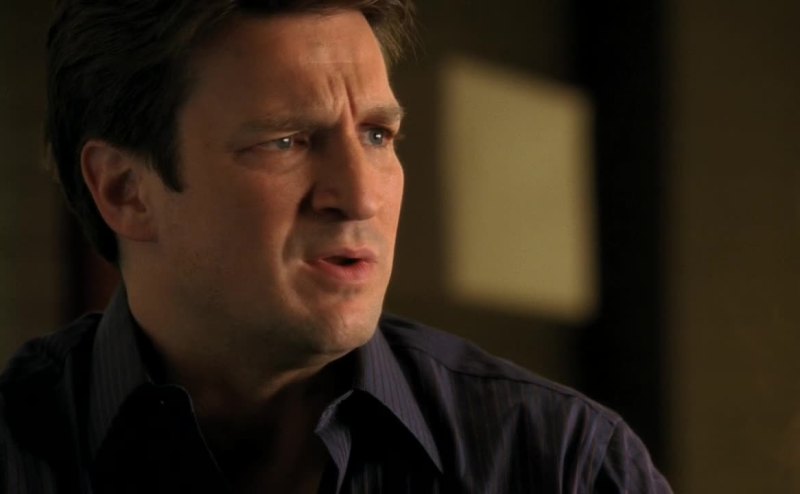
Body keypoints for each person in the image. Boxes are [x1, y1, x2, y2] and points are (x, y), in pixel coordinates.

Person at [0, 0, 672, 492]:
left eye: (378, 135)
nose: (359, 195)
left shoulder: (560, 462)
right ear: (125, 191)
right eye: (285, 141)